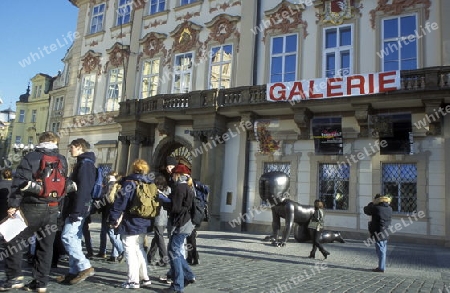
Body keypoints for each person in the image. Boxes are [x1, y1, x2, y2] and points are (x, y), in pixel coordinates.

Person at [0, 131, 69, 292]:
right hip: (52, 208)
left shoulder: (31, 157)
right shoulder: (62, 159)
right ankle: (41, 283)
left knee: (14, 239)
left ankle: (13, 277)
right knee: (46, 246)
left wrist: (13, 204)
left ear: (40, 142)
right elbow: (63, 185)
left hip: (32, 206)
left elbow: (18, 182)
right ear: (55, 142)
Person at [108, 159, 153, 289]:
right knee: (139, 248)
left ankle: (133, 280)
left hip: (131, 221)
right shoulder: (149, 182)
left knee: (129, 249)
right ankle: (145, 277)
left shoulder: (129, 183)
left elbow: (120, 202)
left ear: (133, 169)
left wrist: (113, 218)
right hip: (145, 220)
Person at [58, 138, 96, 285]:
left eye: (71, 147)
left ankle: (85, 266)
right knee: (75, 239)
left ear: (79, 147)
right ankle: (73, 271)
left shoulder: (85, 165)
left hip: (78, 208)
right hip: (77, 207)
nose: (69, 149)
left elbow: (84, 190)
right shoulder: (83, 163)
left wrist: (76, 211)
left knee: (67, 237)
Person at [163, 163, 196, 293]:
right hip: (186, 223)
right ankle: (188, 276)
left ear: (178, 175)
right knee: (175, 251)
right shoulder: (188, 186)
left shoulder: (180, 188)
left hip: (181, 223)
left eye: (174, 174)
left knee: (173, 252)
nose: (173, 177)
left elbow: (176, 208)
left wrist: (164, 201)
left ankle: (177, 285)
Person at [363, 193, 393, 273]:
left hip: (378, 232)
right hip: (386, 231)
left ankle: (381, 267)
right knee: (383, 249)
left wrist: (372, 203)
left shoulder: (376, 208)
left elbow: (366, 210)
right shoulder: (389, 208)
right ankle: (381, 266)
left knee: (380, 249)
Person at [148, 175, 171, 266]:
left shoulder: (155, 191)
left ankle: (164, 258)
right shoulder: (168, 189)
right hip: (165, 217)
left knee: (159, 237)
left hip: (158, 217)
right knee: (157, 237)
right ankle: (150, 256)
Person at [103, 171, 124, 262]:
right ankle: (114, 255)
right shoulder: (115, 188)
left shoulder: (119, 190)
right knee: (115, 234)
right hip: (114, 214)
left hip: (115, 214)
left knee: (112, 233)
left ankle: (122, 251)